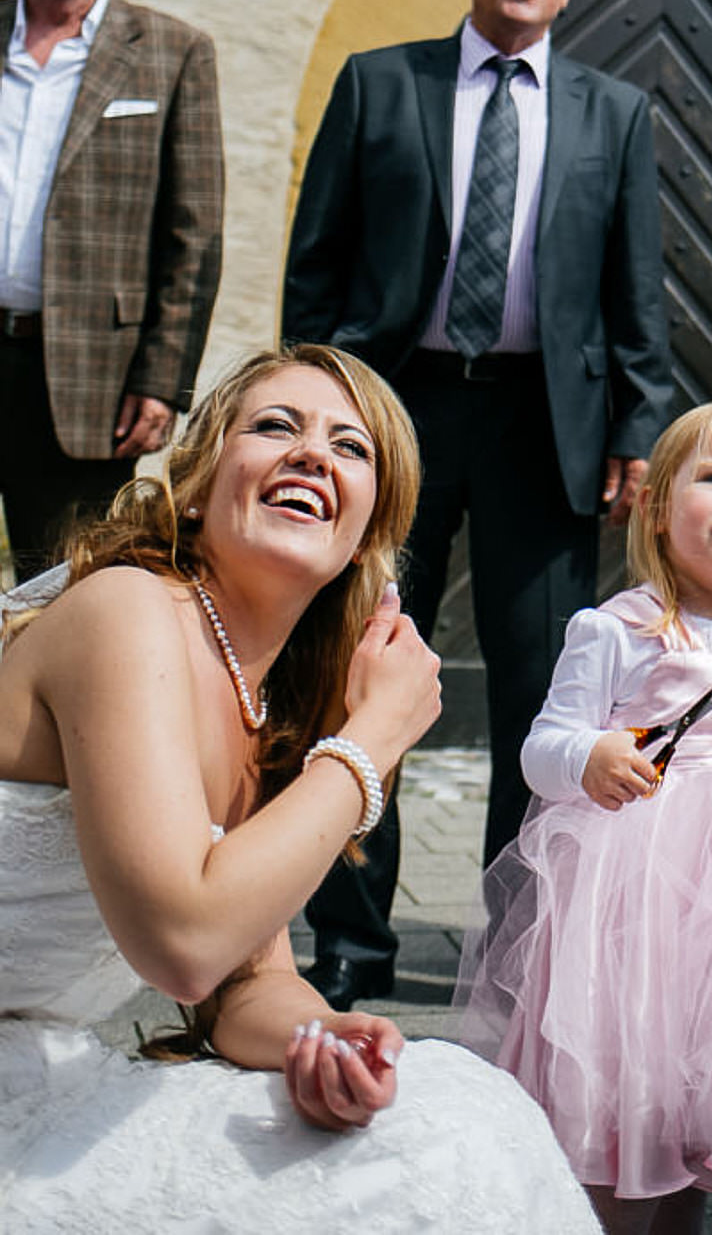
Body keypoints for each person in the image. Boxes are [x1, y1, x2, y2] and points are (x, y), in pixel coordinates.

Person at [0, 344, 595, 1230]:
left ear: (367, 539)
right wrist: (372, 740)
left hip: (30, 1063)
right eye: (276, 426)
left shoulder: (271, 711)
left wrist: (318, 1041)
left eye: (351, 448)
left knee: (466, 1116)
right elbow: (184, 946)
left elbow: (244, 982)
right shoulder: (125, 612)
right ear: (197, 486)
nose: (313, 452)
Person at [282, 0, 675, 1010]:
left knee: (541, 686)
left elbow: (633, 293)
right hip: (390, 410)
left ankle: (511, 942)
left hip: (541, 425)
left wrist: (636, 430)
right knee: (356, 669)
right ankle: (350, 940)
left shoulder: (613, 112)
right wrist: (312, 408)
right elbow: (317, 262)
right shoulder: (379, 81)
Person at [462, 402, 712, 1235]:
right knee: (626, 1096)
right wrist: (593, 755)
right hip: (640, 907)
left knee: (698, 1114)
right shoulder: (621, 629)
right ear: (658, 506)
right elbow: (544, 747)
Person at [1, 0, 223, 574]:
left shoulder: (173, 52)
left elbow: (194, 235)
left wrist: (163, 380)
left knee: (59, 592)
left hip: (89, 381)